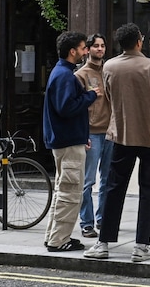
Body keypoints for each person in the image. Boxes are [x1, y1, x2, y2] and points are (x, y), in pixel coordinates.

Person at [83, 23, 150, 262]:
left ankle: (103, 243)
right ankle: (141, 245)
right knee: (149, 189)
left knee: (114, 188)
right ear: (139, 42)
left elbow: (110, 98)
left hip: (121, 134)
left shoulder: (110, 66)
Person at [42, 31, 97, 252]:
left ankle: (54, 237)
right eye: (84, 48)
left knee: (62, 192)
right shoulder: (65, 75)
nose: (86, 51)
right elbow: (66, 108)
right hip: (68, 144)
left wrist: (82, 137)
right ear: (73, 51)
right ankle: (59, 241)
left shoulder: (60, 72)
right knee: (70, 194)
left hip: (66, 141)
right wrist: (91, 96)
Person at [74, 33, 112, 239]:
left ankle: (103, 219)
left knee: (107, 180)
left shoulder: (109, 71)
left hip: (110, 133)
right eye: (96, 46)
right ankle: (86, 223)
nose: (100, 49)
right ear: (87, 50)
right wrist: (83, 133)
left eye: (103, 45)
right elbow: (78, 107)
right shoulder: (81, 75)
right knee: (87, 181)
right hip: (92, 133)